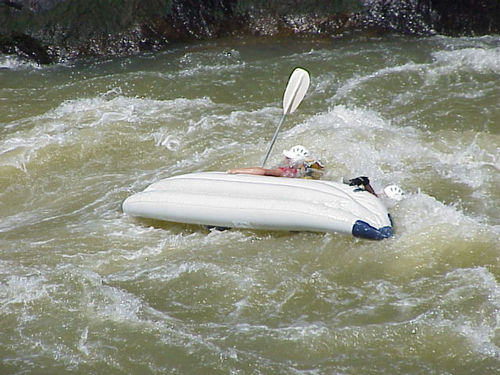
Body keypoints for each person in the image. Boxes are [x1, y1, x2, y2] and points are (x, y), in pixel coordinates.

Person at [227, 145, 325, 180]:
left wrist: (236, 170)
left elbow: (263, 172)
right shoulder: (308, 169)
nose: (285, 158)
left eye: (287, 157)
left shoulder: (285, 171)